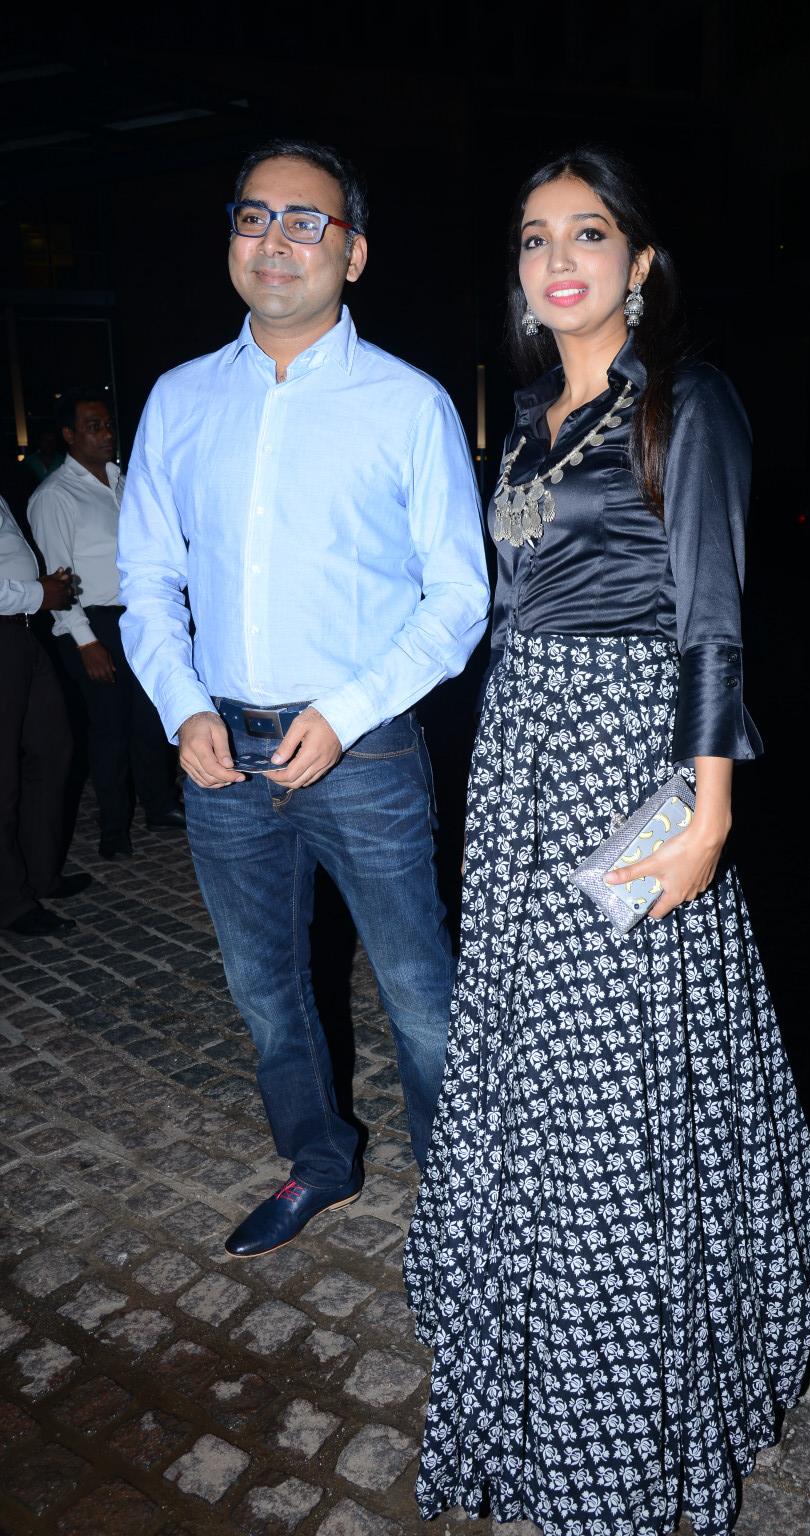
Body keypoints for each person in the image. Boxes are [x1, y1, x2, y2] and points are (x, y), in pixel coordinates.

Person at [403, 149, 810, 1536]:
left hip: (629, 759)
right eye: (534, 238)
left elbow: (713, 617)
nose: (557, 259)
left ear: (639, 263)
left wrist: (709, 810)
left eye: (587, 234)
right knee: (530, 1062)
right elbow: (498, 601)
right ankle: (530, 1344)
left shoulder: (687, 404)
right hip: (524, 766)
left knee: (616, 1085)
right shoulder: (528, 420)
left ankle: (621, 1398)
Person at [116, 138, 489, 1260]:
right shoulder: (180, 399)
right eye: (254, 216)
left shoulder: (408, 404)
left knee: (420, 993)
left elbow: (458, 597)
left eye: (304, 221)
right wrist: (183, 706)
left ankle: (463, 1202)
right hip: (219, 750)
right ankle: (319, 1163)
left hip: (362, 751)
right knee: (265, 991)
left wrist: (350, 707)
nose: (273, 240)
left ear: (353, 253)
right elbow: (148, 579)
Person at [28, 392, 183, 859]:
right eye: (93, 426)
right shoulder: (54, 496)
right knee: (109, 728)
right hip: (94, 623)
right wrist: (85, 641)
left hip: (137, 616)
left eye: (108, 424)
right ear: (69, 435)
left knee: (149, 717)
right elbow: (56, 578)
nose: (107, 433)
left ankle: (159, 804)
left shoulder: (123, 481)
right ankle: (114, 827)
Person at [0, 494, 92, 937]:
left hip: (19, 631)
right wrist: (38, 593)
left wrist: (40, 590)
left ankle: (39, 873)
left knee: (53, 750)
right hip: (11, 626)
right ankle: (10, 902)